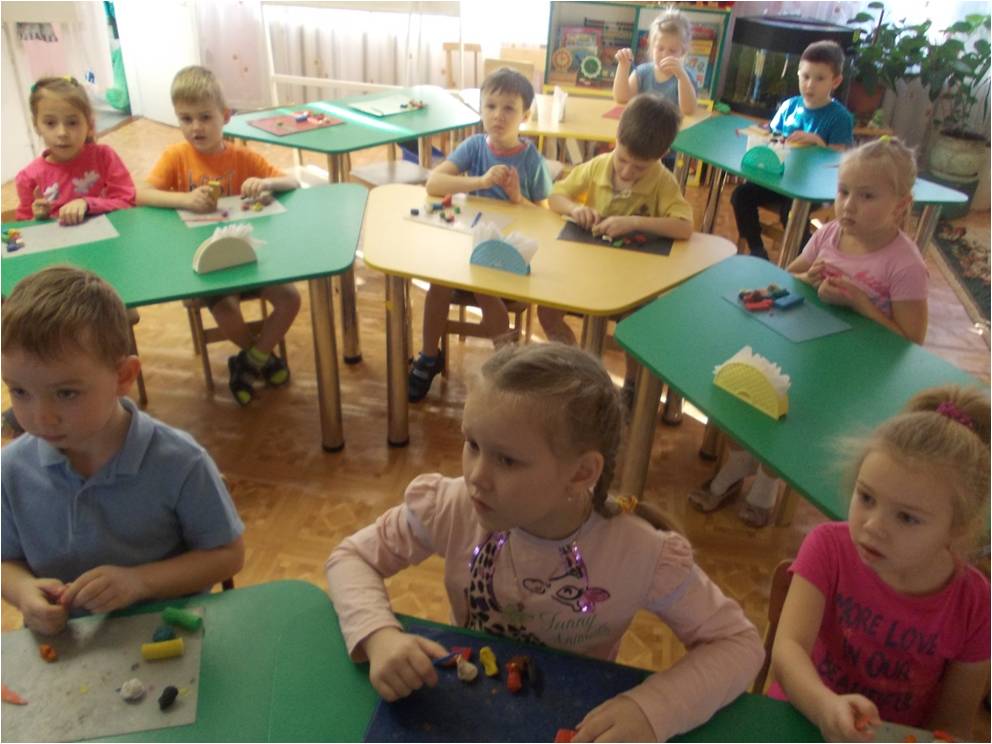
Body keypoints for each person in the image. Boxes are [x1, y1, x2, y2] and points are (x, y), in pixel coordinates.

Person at [327, 343, 762, 742]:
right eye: (472, 444)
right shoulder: (453, 506)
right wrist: (379, 634)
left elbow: (739, 646)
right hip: (472, 706)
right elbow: (351, 557)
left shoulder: (641, 553)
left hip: (576, 717)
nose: (476, 475)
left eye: (507, 460)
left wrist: (651, 711)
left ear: (581, 473)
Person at [692, 137, 928, 528]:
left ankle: (768, 482)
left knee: (796, 417)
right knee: (754, 391)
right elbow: (789, 275)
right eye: (843, 192)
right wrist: (807, 277)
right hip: (801, 342)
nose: (849, 205)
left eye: (867, 196)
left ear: (901, 205)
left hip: (856, 368)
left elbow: (911, 342)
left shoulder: (905, 264)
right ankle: (741, 460)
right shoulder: (829, 233)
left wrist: (861, 303)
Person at [1, 266, 245, 636]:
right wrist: (22, 591)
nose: (41, 416)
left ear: (124, 377)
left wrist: (140, 582)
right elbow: (6, 560)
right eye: (19, 391)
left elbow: (228, 554)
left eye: (66, 393)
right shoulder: (10, 470)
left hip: (169, 637)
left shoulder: (180, 462)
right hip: (67, 645)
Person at [771, 385, 990, 741]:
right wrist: (825, 707)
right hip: (803, 717)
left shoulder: (975, 605)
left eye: (907, 517)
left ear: (957, 528)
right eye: (866, 497)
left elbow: (953, 724)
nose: (873, 526)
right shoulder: (828, 548)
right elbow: (788, 650)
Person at [137, 65, 301, 406]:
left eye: (205, 117)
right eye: (186, 119)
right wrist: (185, 199)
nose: (195, 127)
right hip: (206, 266)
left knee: (290, 299)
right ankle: (261, 357)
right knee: (226, 310)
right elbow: (141, 194)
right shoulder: (176, 157)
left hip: (249, 260)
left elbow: (292, 182)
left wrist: (266, 182)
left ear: (225, 116)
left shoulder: (242, 157)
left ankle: (248, 362)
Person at [408, 67, 553, 403]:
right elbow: (434, 183)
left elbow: (546, 218)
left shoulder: (531, 160)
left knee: (483, 286)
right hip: (468, 244)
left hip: (507, 258)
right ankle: (429, 355)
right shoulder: (474, 146)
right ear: (480, 109)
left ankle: (506, 364)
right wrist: (481, 181)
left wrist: (518, 199)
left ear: (525, 116)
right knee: (438, 282)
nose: (498, 115)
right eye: (490, 106)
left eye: (508, 108)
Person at [545, 94, 693, 405]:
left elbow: (684, 226)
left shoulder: (662, 181)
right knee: (546, 310)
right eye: (622, 160)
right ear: (616, 138)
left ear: (662, 155)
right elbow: (555, 196)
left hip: (633, 283)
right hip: (587, 274)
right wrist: (574, 209)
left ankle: (633, 384)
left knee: (638, 326)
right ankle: (576, 367)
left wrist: (635, 222)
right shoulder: (597, 166)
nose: (626, 172)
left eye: (639, 168)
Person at [731, 40, 854, 261]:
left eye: (820, 78)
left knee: (791, 213)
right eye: (805, 76)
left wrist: (818, 142)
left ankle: (809, 259)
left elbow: (841, 158)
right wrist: (758, 133)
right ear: (798, 74)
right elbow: (771, 135)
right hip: (779, 179)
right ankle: (757, 250)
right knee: (741, 195)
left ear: (835, 81)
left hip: (812, 188)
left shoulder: (840, 117)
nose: (810, 85)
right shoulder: (789, 106)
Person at [15, 76, 135, 224]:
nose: (62, 133)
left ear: (89, 125)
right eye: (50, 123)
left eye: (72, 123)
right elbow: (23, 228)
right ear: (36, 126)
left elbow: (127, 201)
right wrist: (38, 218)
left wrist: (87, 204)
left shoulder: (104, 157)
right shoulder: (28, 179)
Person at [612, 10, 698, 117]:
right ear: (652, 46)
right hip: (644, 126)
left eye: (672, 51)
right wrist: (623, 67)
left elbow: (688, 110)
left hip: (672, 126)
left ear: (683, 51)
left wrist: (682, 77)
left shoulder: (686, 76)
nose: (665, 54)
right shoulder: (642, 72)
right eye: (660, 48)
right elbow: (622, 99)